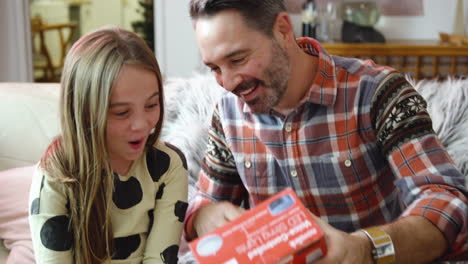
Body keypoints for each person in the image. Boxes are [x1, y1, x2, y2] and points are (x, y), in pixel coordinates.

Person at [184, 0, 468, 263]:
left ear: (283, 30)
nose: (228, 82)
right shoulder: (228, 114)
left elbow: (447, 200)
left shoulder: (379, 93)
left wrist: (365, 248)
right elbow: (205, 201)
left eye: (237, 60)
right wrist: (203, 216)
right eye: (214, 68)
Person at [28, 27, 188, 264]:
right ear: (84, 113)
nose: (141, 125)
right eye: (122, 113)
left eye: (152, 105)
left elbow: (160, 258)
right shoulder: (55, 173)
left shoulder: (169, 165)